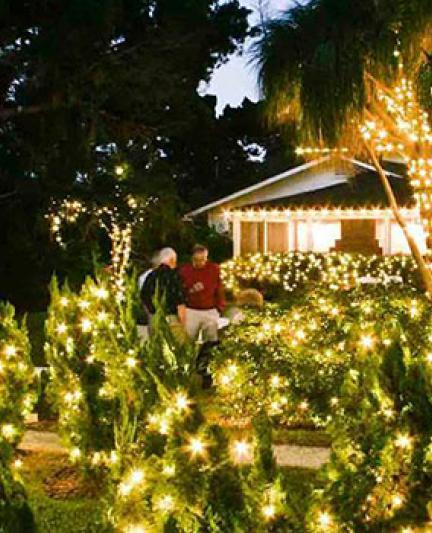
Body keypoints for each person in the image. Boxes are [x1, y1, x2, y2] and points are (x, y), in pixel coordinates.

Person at [179, 244, 225, 342]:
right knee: (188, 340)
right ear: (192, 258)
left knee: (211, 341)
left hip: (210, 310)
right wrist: (191, 291)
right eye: (197, 260)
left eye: (203, 259)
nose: (200, 263)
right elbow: (180, 291)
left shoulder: (214, 269)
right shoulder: (184, 271)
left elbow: (219, 289)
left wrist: (219, 308)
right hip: (191, 310)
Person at [141, 247, 187, 339]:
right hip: (171, 320)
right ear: (172, 260)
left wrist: (151, 314)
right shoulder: (174, 276)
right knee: (176, 349)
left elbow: (144, 297)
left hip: (154, 319)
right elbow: (179, 301)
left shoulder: (150, 276)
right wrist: (183, 323)